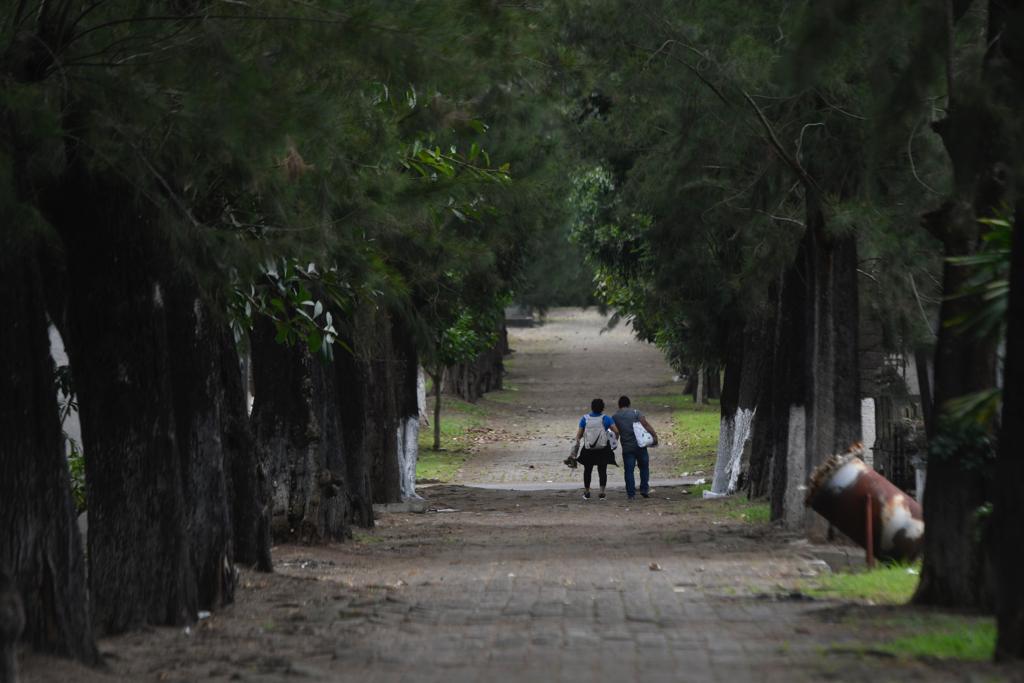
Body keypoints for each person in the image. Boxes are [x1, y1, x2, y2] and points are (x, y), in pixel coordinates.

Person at [612, 395, 658, 500]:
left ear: (619, 405)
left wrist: (613, 444)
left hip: (627, 448)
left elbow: (614, 432)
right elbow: (646, 425)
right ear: (629, 404)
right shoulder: (636, 413)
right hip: (640, 446)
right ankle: (644, 489)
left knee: (629, 471)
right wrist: (654, 436)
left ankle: (631, 494)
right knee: (644, 468)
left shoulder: (615, 417)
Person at [574, 398, 619, 500]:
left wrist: (577, 443)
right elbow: (616, 431)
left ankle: (587, 492)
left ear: (592, 407)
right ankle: (602, 492)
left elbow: (579, 435)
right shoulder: (606, 419)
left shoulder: (585, 419)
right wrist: (615, 440)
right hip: (603, 448)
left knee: (587, 470)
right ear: (602, 408)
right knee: (602, 470)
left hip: (588, 449)